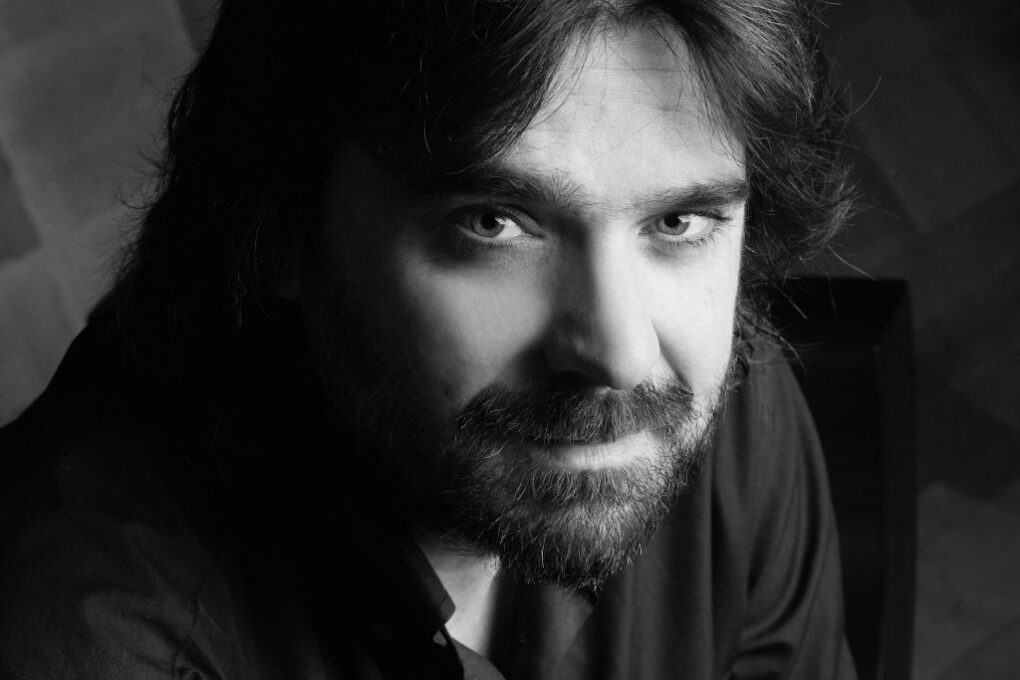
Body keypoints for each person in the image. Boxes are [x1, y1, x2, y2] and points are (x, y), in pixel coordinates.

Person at [0, 0, 858, 678]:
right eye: (493, 223)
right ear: (283, 224)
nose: (621, 355)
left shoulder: (721, 394)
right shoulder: (85, 637)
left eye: (678, 222)